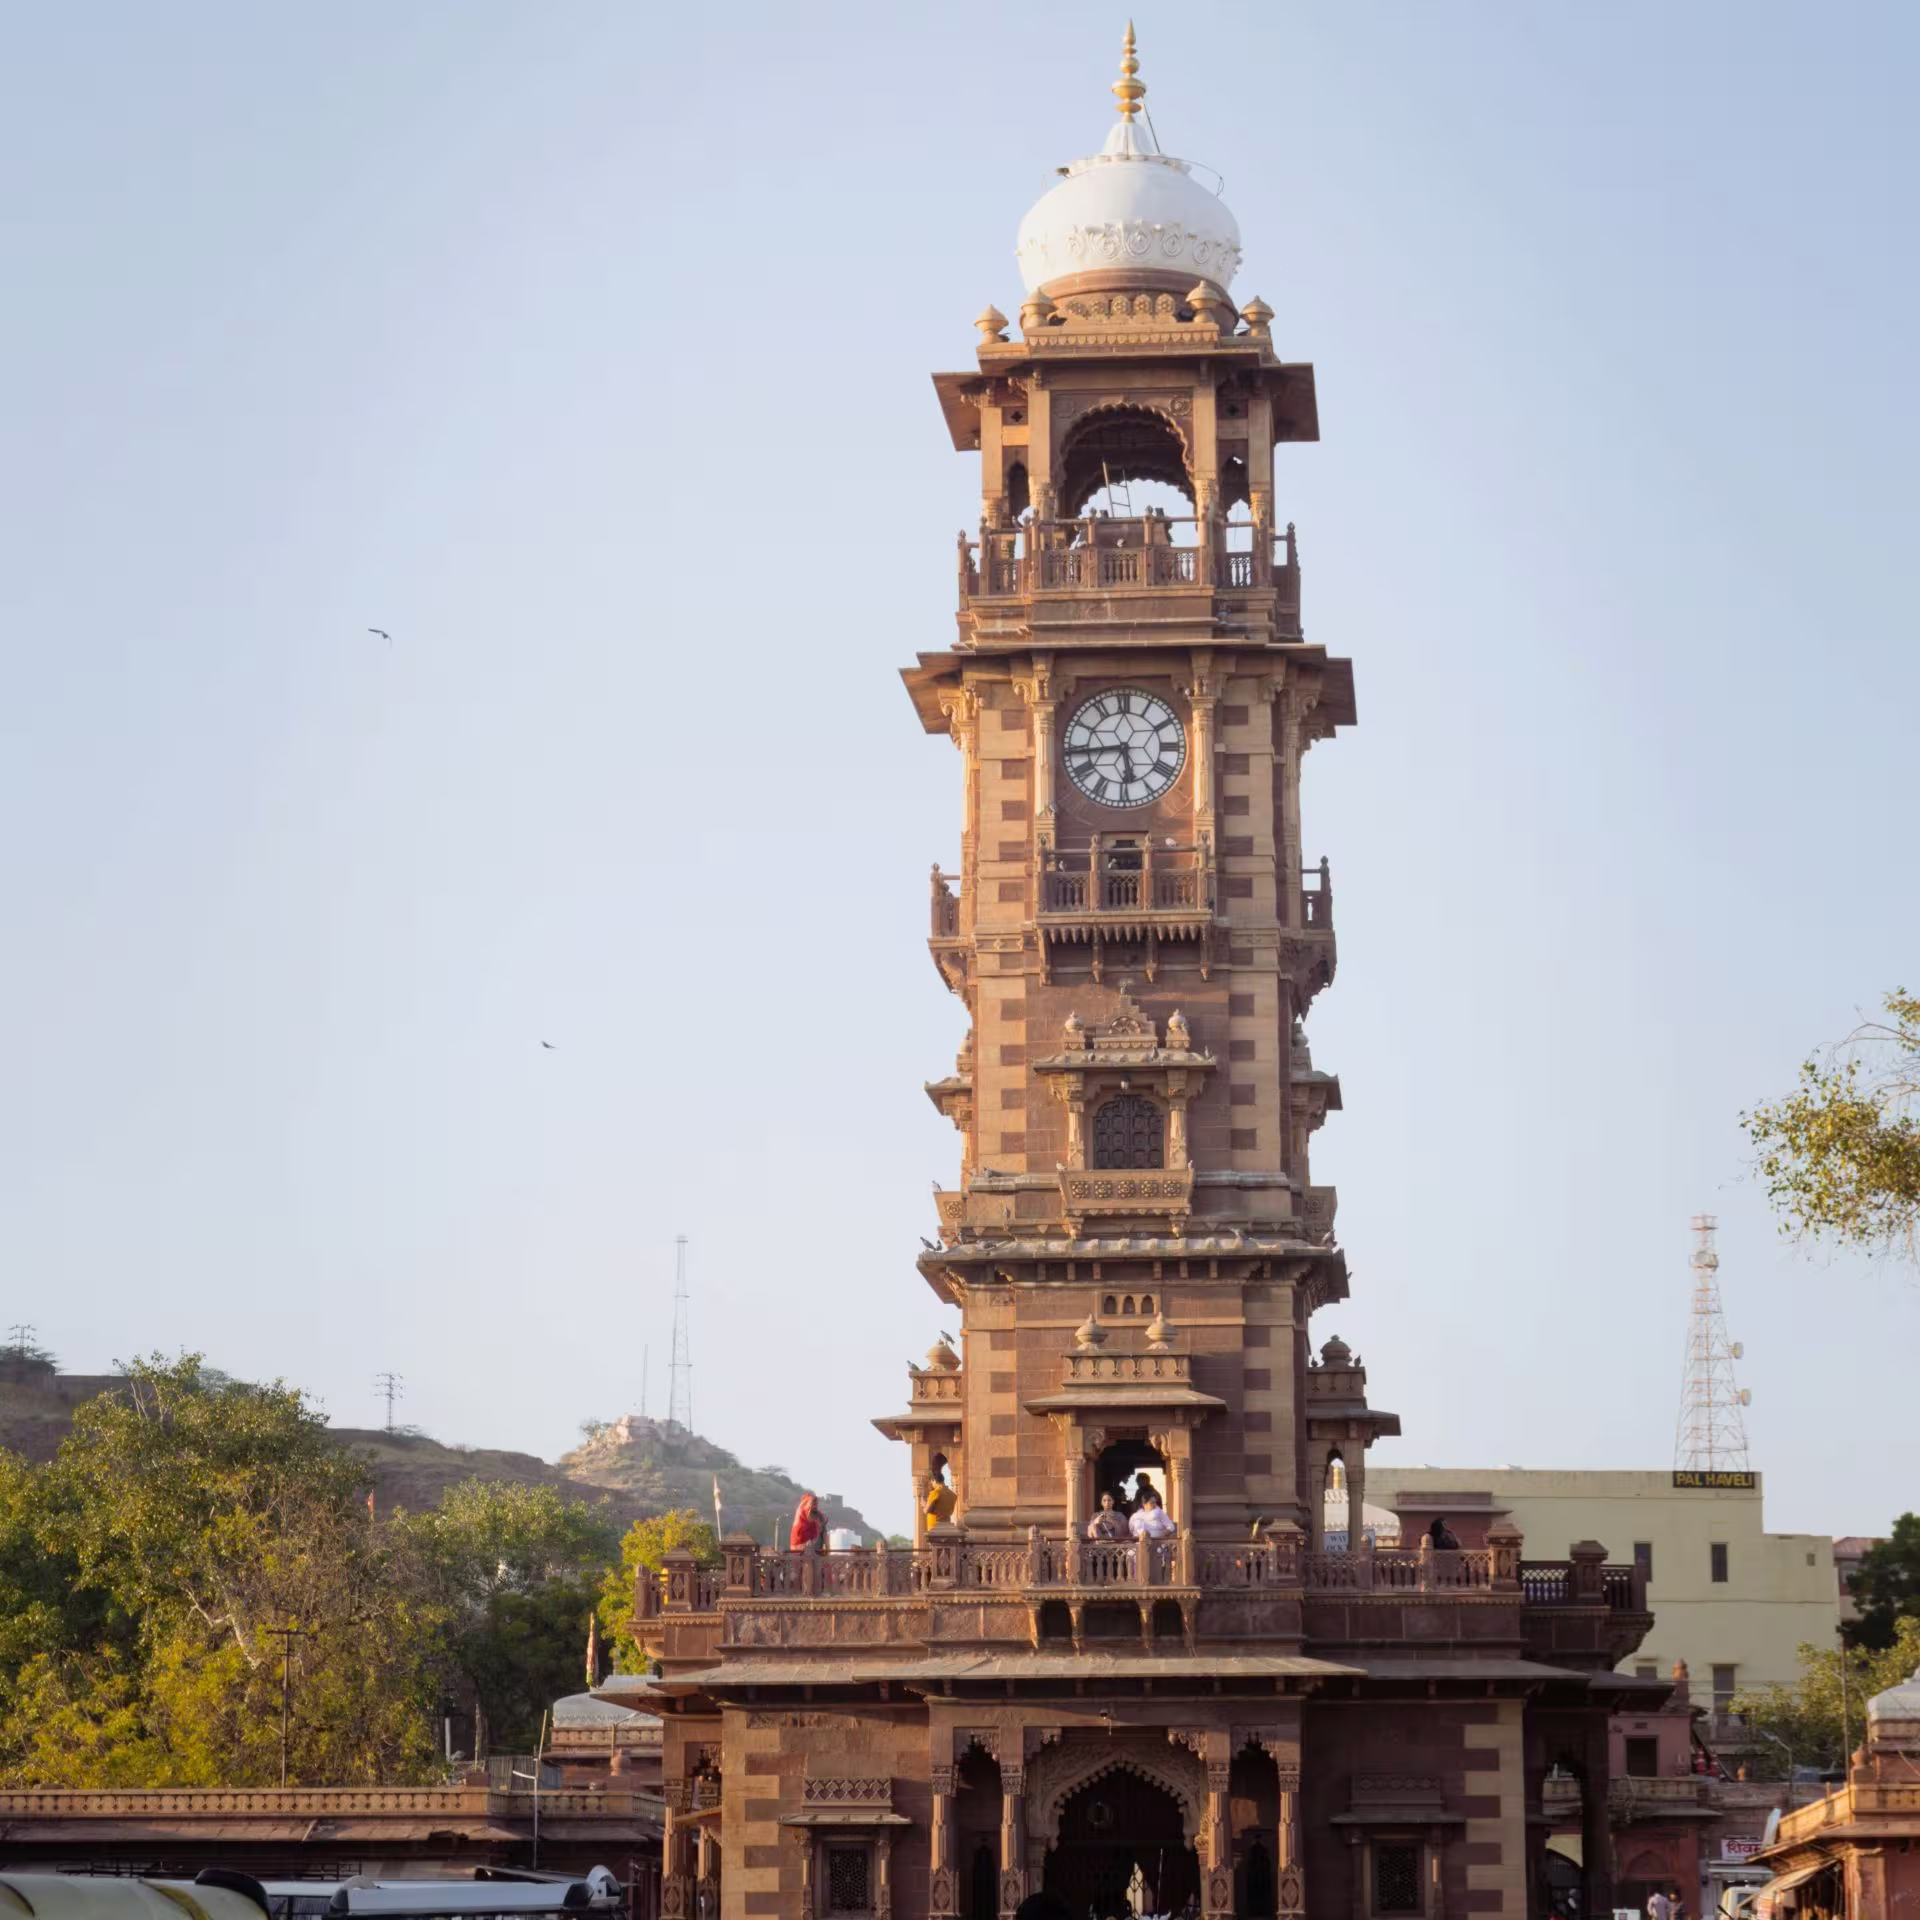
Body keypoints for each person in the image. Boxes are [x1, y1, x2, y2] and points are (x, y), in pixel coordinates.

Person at [925, 1455, 957, 1529]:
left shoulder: (935, 1493)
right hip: (947, 1524)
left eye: (932, 1482)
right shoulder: (952, 1494)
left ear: (934, 1481)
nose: (932, 1484)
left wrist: (924, 1505)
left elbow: (926, 1510)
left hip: (935, 1527)